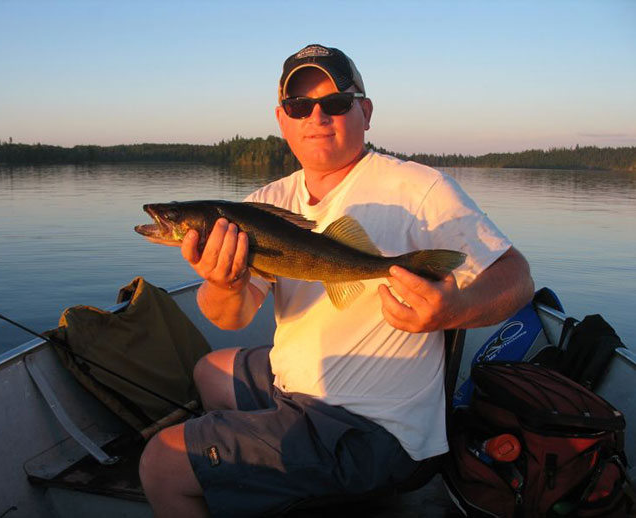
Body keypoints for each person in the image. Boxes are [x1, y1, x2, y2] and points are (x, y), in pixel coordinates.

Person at [139, 44, 535, 517]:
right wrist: (224, 284)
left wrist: (454, 312)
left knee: (161, 463)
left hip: (375, 429)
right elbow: (231, 317)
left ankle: (271, 472)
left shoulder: (419, 189)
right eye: (299, 106)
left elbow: (517, 279)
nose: (316, 117)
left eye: (336, 103)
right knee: (210, 369)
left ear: (364, 111)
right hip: (300, 389)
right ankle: (271, 478)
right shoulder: (268, 200)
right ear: (282, 120)